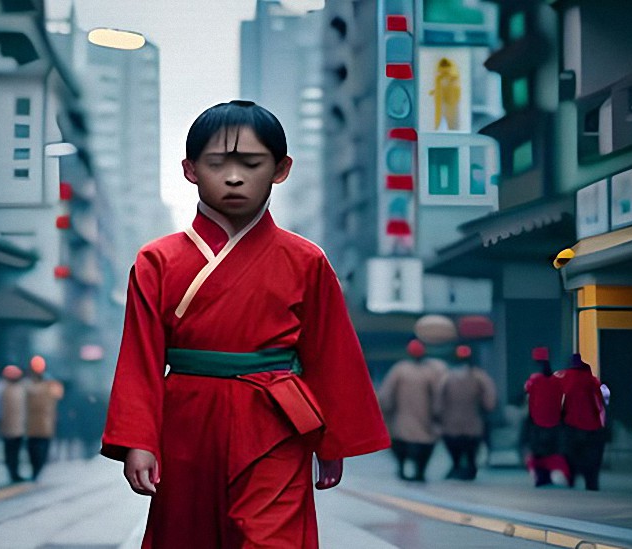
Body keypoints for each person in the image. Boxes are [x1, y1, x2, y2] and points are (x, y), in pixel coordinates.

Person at [101, 100, 391, 548]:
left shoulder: (306, 260)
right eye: (217, 163)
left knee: (273, 540)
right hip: (186, 424)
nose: (234, 177)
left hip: (275, 422)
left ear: (280, 168)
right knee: (188, 537)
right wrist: (139, 440)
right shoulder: (155, 261)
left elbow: (330, 355)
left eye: (251, 163)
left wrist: (331, 440)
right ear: (190, 169)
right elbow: (140, 359)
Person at [377, 338, 445, 481]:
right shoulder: (431, 371)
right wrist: (437, 413)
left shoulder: (399, 369)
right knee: (425, 446)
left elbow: (386, 394)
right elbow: (438, 395)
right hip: (424, 419)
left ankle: (402, 468)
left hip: (403, 419)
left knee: (400, 445)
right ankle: (420, 471)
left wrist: (385, 410)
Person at [436, 345, 496, 481]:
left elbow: (438, 399)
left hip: (456, 421)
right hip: (469, 420)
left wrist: (438, 412)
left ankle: (462, 466)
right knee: (468, 446)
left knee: (459, 445)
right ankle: (464, 466)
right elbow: (489, 396)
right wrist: (488, 407)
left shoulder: (448, 377)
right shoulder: (478, 376)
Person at [555, 353, 606, 491]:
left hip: (571, 425)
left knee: (571, 455)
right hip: (592, 427)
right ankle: (592, 483)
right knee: (592, 459)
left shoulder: (564, 377)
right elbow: (602, 401)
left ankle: (571, 480)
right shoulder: (593, 380)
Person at [522, 346, 569, 487]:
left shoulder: (533, 379)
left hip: (537, 423)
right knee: (551, 452)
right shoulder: (556, 380)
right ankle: (551, 475)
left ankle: (541, 476)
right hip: (554, 423)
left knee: (538, 454)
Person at [25, 355, 64, 480]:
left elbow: (58, 395)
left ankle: (37, 470)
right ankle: (35, 469)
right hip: (31, 422)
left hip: (45, 422)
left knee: (41, 448)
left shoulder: (51, 384)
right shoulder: (28, 383)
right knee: (32, 448)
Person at [0, 365, 27, 482]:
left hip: (11, 427)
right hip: (16, 427)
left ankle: (13, 472)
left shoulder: (4, 390)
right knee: (13, 452)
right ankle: (13, 472)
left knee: (11, 452)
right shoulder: (21, 390)